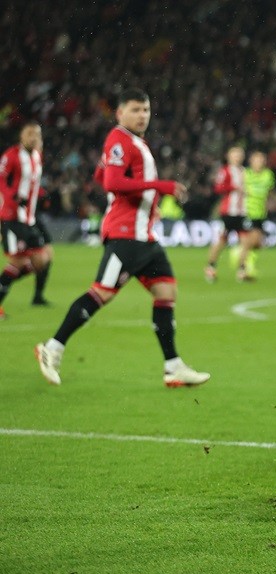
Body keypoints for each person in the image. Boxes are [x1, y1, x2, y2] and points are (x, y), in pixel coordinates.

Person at [34, 88, 210, 388]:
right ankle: (52, 348)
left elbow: (102, 176)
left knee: (166, 293)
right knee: (101, 293)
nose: (143, 115)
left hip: (145, 236)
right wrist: (160, 185)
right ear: (120, 113)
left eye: (146, 110)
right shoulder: (119, 139)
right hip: (126, 235)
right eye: (136, 110)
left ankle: (173, 366)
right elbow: (114, 182)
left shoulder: (132, 143)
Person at [0, 122, 52, 318]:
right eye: (29, 134)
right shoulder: (11, 156)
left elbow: (31, 183)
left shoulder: (37, 156)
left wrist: (42, 194)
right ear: (21, 136)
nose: (33, 138)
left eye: (36, 134)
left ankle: (37, 296)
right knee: (23, 261)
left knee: (45, 257)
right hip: (12, 217)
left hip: (30, 217)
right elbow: (1, 180)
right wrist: (13, 195)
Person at [205, 146, 254, 283]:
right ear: (229, 156)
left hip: (241, 212)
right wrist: (234, 187)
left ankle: (242, 270)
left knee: (246, 242)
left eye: (240, 154)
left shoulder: (244, 171)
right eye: (235, 154)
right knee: (221, 241)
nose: (237, 157)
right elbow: (218, 188)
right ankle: (211, 267)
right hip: (228, 212)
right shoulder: (225, 171)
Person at [241, 150, 276, 279]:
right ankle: (245, 266)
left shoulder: (268, 175)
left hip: (261, 212)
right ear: (251, 161)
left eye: (262, 160)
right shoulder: (245, 174)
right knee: (253, 238)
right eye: (257, 160)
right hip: (246, 211)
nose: (260, 162)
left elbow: (269, 191)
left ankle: (243, 258)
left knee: (258, 243)